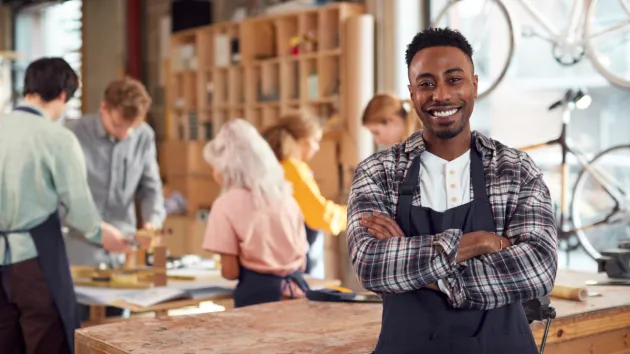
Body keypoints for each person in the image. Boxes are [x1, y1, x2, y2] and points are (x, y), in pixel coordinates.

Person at [346, 28, 558, 354]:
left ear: (474, 84)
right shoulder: (378, 172)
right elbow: (371, 267)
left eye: (454, 79)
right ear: (412, 94)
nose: (441, 95)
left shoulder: (516, 169)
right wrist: (481, 243)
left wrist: (413, 267)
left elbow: (538, 270)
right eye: (426, 84)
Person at [0, 57, 129, 354]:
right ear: (62, 94)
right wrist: (102, 234)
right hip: (33, 262)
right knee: (49, 341)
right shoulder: (57, 137)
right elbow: (81, 212)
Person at [64, 77, 166, 320]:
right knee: (75, 329)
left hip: (122, 254)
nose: (125, 134)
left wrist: (152, 222)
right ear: (103, 108)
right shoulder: (72, 134)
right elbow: (62, 196)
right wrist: (97, 230)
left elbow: (151, 187)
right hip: (79, 251)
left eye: (131, 127)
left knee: (115, 330)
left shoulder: (143, 136)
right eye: (119, 125)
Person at [201, 119, 309, 308]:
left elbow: (230, 272)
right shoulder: (286, 197)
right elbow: (302, 263)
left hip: (258, 299)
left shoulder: (224, 205)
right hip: (298, 294)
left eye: (214, 167)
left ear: (227, 168)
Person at [262, 110, 347, 279]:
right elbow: (319, 216)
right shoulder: (293, 169)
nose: (316, 148)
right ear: (302, 141)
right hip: (296, 262)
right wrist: (353, 213)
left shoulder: (272, 167)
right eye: (315, 141)